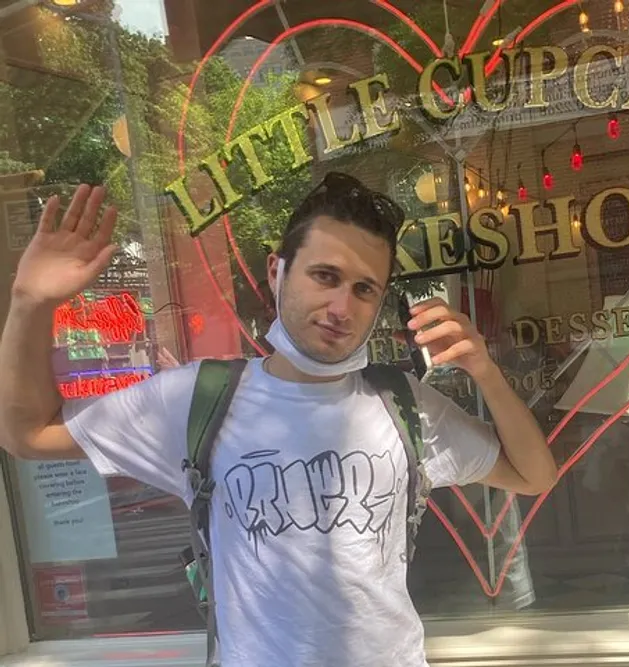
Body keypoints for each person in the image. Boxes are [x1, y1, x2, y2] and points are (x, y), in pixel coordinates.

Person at [0, 174, 558, 667]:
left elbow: (534, 476)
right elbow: (26, 435)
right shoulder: (198, 398)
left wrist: (484, 370)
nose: (342, 307)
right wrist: (29, 302)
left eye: (365, 289)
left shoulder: (402, 403)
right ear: (277, 270)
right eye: (324, 276)